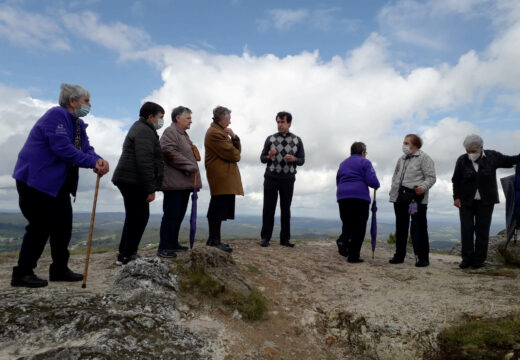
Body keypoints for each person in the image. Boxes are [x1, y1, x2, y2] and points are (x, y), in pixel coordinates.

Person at [11, 83, 110, 288]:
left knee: (63, 227)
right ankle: (22, 273)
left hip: (58, 185)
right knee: (40, 226)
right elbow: (61, 148)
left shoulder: (77, 124)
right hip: (37, 181)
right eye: (86, 101)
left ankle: (59, 269)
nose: (89, 105)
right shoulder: (56, 116)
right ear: (72, 101)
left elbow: (87, 148)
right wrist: (92, 162)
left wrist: (99, 160)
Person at [452, 134, 520, 269]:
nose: (471, 154)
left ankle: (479, 260)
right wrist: (456, 197)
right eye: (468, 151)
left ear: (481, 148)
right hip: (466, 201)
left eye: (474, 151)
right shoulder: (462, 160)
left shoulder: (492, 156)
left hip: (486, 201)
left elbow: (510, 160)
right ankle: (466, 258)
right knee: (467, 229)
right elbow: (456, 180)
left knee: (482, 230)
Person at [112, 102, 165, 265]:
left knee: (134, 216)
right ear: (150, 117)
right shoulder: (144, 131)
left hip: (130, 179)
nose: (161, 121)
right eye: (160, 117)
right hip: (132, 180)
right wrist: (151, 188)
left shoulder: (143, 129)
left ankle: (126, 253)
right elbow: (145, 161)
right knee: (139, 217)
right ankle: (128, 254)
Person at [157, 106, 202, 258]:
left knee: (178, 215)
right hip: (174, 184)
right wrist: (189, 165)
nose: (191, 121)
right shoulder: (170, 132)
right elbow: (167, 150)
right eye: (188, 118)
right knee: (171, 215)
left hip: (183, 183)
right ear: (178, 118)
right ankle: (164, 247)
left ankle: (173, 243)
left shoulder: (183, 135)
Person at [388, 134, 436, 267]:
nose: (403, 145)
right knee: (401, 227)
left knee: (417, 227)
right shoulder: (401, 159)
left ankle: (422, 258)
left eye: (406, 143)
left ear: (414, 145)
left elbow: (431, 177)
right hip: (400, 198)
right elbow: (395, 176)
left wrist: (422, 187)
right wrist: (393, 191)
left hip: (414, 199)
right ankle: (399, 255)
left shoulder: (424, 158)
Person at [259, 111, 305, 248]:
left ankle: (285, 239)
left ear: (289, 123)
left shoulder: (297, 140)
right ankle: (265, 238)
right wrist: (268, 156)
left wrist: (295, 159)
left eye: (282, 122)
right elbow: (262, 158)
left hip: (288, 179)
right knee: (268, 208)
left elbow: (302, 160)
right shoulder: (270, 139)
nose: (279, 125)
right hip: (271, 178)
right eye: (278, 122)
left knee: (286, 209)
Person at [204, 106, 243, 253]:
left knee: (218, 209)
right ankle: (214, 241)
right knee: (216, 209)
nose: (230, 121)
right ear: (222, 118)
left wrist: (234, 137)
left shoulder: (220, 132)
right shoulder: (215, 133)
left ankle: (215, 239)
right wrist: (233, 140)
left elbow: (235, 153)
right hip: (220, 176)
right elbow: (235, 155)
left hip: (223, 175)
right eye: (229, 118)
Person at [336, 142, 380, 263]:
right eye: (365, 153)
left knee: (347, 223)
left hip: (343, 197)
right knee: (359, 226)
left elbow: (338, 180)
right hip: (359, 197)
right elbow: (372, 181)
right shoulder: (365, 162)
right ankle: (353, 256)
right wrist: (377, 185)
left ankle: (343, 241)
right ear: (362, 152)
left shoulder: (343, 163)